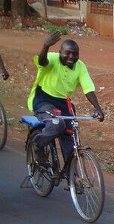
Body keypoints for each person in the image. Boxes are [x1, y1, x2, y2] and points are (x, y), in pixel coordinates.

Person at [28, 32, 105, 164]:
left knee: (71, 135)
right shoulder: (52, 58)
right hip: (43, 100)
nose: (71, 56)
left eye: (75, 54)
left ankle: (72, 179)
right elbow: (42, 61)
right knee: (57, 124)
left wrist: (98, 109)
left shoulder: (80, 66)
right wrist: (46, 46)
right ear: (60, 52)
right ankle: (38, 144)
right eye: (67, 53)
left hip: (64, 103)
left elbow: (88, 89)